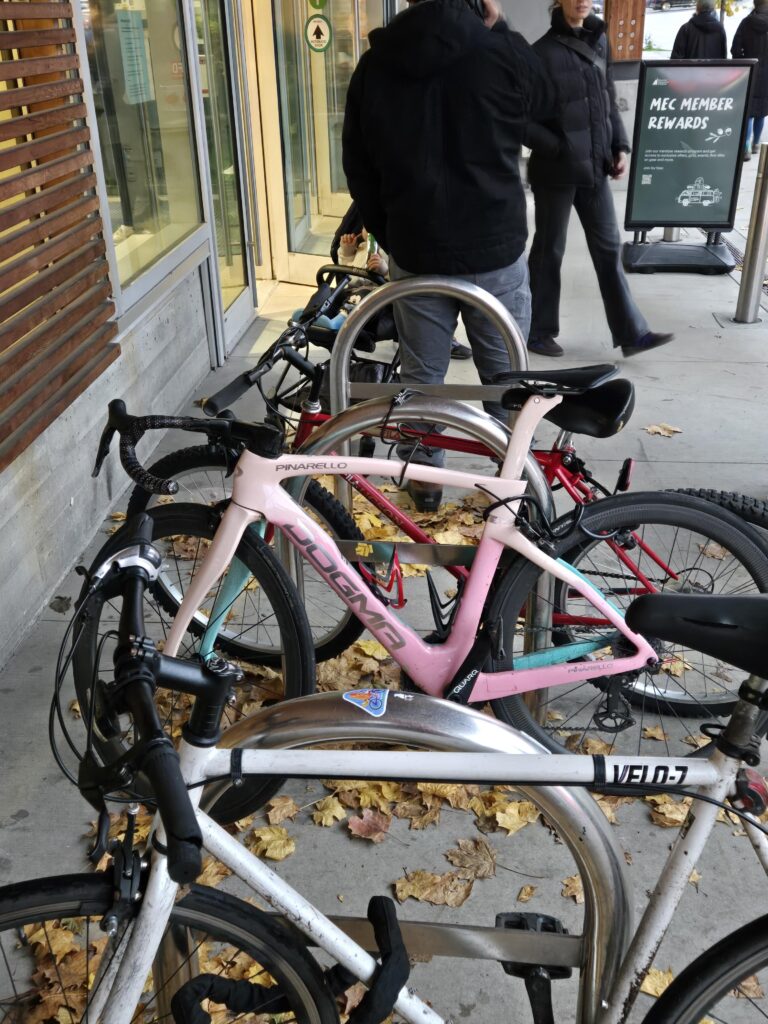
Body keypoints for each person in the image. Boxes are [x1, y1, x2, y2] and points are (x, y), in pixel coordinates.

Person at [342, 0, 556, 509]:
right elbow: (548, 103)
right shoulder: (501, 50)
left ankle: (426, 485)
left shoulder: (377, 63)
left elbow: (358, 163)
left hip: (416, 248)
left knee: (422, 377)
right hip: (495, 246)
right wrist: (499, 24)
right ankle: (511, 488)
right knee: (508, 378)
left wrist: (392, 234)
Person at [525, 0, 674, 358]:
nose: (582, 1)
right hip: (556, 172)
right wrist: (558, 147)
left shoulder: (600, 41)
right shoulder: (539, 54)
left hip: (595, 166)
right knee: (550, 250)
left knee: (609, 247)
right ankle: (537, 330)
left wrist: (619, 145)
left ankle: (632, 333)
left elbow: (608, 98)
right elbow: (519, 119)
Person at [731, 0, 768, 160]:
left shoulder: (746, 23)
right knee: (762, 112)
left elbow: (735, 48)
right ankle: (756, 144)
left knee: (749, 112)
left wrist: (743, 60)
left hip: (750, 71)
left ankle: (745, 147)